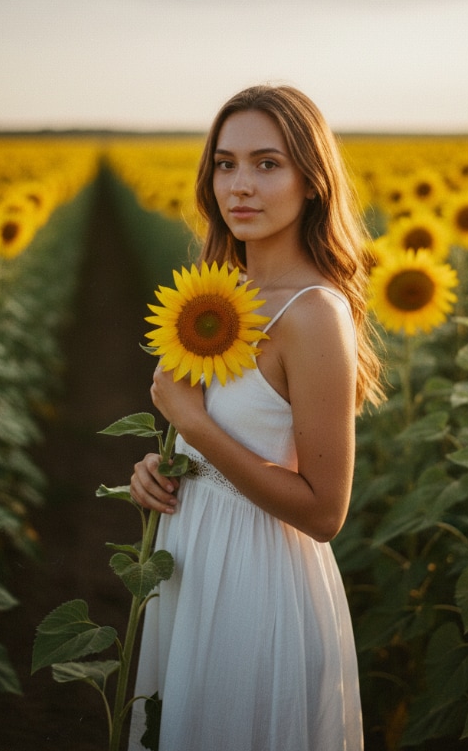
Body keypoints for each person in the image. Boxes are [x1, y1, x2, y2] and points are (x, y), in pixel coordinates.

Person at [128, 84, 384, 751]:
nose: (240, 185)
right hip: (191, 558)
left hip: (258, 578)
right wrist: (163, 466)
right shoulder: (219, 295)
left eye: (267, 164)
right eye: (225, 163)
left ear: (311, 182)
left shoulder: (313, 312)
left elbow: (325, 512)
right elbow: (219, 446)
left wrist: (196, 423)